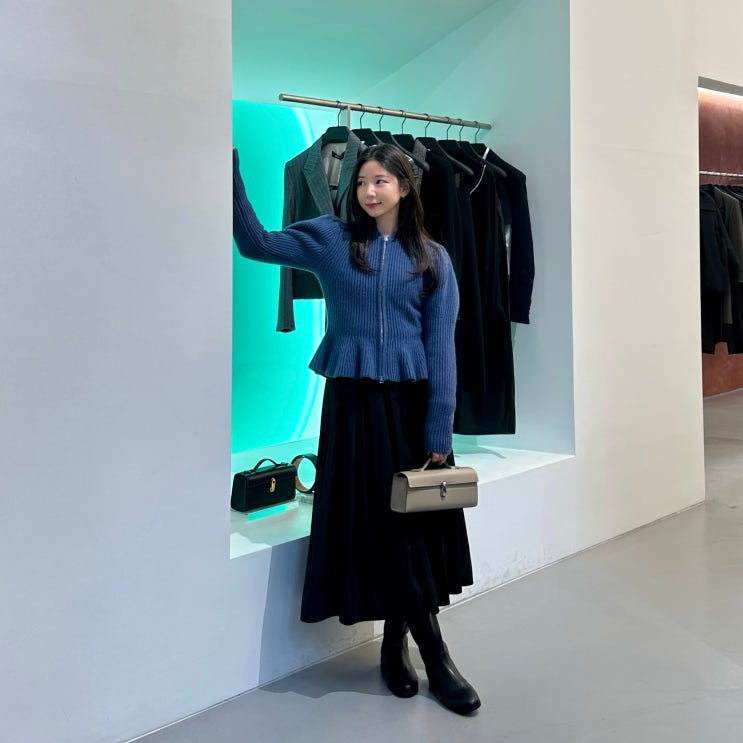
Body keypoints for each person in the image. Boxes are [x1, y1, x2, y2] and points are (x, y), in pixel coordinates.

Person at [233, 142, 480, 715]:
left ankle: (400, 644)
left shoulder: (433, 258)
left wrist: (439, 429)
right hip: (352, 407)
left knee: (410, 531)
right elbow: (257, 244)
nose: (370, 191)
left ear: (406, 186)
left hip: (410, 407)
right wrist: (232, 173)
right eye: (362, 181)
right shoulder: (331, 239)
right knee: (378, 527)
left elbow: (441, 348)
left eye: (381, 181)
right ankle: (434, 655)